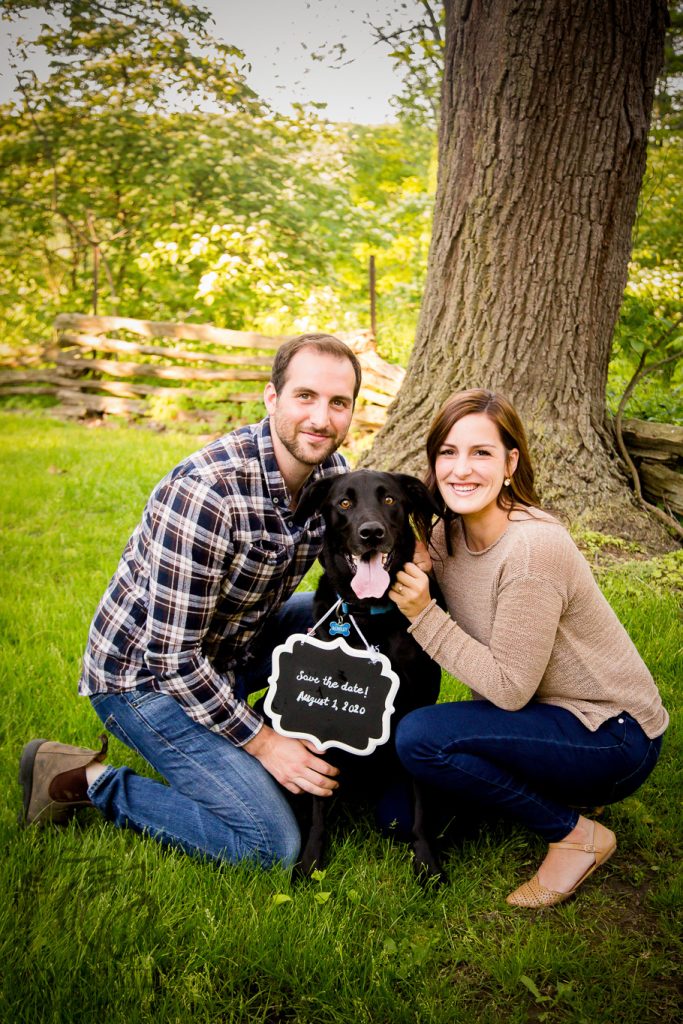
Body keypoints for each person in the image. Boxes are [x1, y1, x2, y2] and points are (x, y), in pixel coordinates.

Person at [19, 334, 363, 869]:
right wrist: (264, 743)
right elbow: (173, 659)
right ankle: (81, 779)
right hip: (144, 679)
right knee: (270, 846)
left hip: (231, 646)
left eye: (337, 403)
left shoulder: (331, 475)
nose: (320, 417)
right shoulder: (209, 493)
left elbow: (359, 550)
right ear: (272, 398)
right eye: (305, 397)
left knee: (333, 621)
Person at [388, 388, 668, 907]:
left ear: (511, 462)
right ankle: (564, 788)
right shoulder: (449, 536)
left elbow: (510, 690)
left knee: (421, 738)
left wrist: (424, 615)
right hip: (545, 713)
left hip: (612, 732)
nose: (461, 469)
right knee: (397, 814)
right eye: (447, 452)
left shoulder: (533, 549)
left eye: (481, 453)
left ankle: (574, 834)